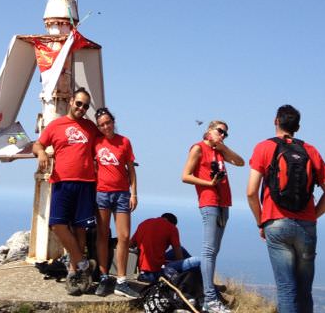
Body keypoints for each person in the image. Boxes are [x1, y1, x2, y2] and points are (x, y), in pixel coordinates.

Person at [246, 104, 325, 313]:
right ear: (298, 126)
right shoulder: (310, 150)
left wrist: (261, 221)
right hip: (306, 226)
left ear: (275, 121)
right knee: (304, 290)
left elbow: (251, 192)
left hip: (276, 224)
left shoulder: (264, 147)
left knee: (287, 289)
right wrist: (312, 215)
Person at [32, 87, 99, 296]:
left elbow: (106, 143)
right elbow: (38, 144)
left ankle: (74, 274)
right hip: (61, 181)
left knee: (80, 229)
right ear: (70, 101)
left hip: (86, 182)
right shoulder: (56, 125)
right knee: (57, 225)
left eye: (85, 105)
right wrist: (42, 152)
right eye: (78, 103)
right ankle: (83, 263)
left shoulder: (90, 127)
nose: (81, 108)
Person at [182, 119, 244, 313]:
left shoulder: (219, 151)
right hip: (209, 201)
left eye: (226, 133)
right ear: (209, 130)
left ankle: (208, 293)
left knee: (213, 251)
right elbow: (185, 175)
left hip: (224, 203)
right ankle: (209, 299)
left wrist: (224, 147)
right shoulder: (198, 148)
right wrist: (208, 184)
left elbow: (241, 162)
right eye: (220, 131)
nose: (223, 135)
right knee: (209, 251)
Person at [93, 106, 139, 299]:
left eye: (108, 123)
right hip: (102, 193)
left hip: (121, 194)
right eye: (102, 125)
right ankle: (104, 277)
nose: (106, 127)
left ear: (113, 122)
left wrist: (134, 194)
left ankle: (121, 280)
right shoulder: (96, 143)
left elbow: (131, 170)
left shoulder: (124, 142)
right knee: (103, 234)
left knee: (124, 236)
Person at [131, 212, 201, 282]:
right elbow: (179, 257)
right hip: (155, 273)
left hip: (143, 271)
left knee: (182, 250)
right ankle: (199, 280)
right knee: (199, 260)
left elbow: (131, 244)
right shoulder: (171, 228)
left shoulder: (145, 223)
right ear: (173, 224)